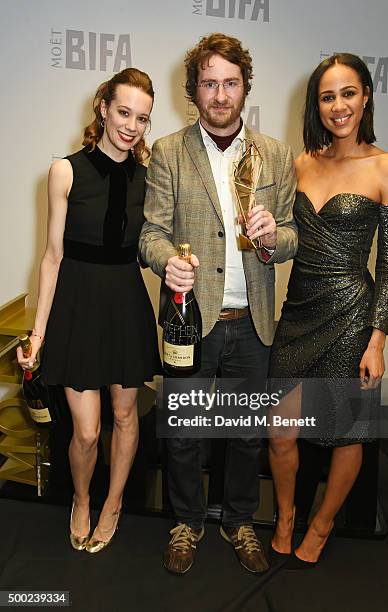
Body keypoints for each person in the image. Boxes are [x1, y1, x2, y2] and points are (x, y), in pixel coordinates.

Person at [139, 33, 297, 575]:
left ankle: (239, 521)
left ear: (245, 88)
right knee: (183, 433)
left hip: (252, 323)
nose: (221, 93)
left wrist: (275, 234)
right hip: (190, 320)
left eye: (230, 82)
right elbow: (150, 234)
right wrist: (168, 263)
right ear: (194, 91)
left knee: (247, 434)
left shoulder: (274, 154)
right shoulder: (168, 151)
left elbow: (294, 235)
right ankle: (187, 522)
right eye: (210, 83)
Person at [268, 53, 388, 569]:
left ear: (366, 95)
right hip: (298, 310)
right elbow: (283, 240)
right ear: (317, 105)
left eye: (348, 93)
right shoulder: (301, 163)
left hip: (352, 315)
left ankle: (322, 524)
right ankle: (285, 517)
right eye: (328, 96)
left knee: (346, 431)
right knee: (280, 428)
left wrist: (377, 341)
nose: (339, 105)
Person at [17, 68, 162, 553]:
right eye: (124, 112)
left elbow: (153, 245)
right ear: (102, 107)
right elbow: (52, 256)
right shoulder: (66, 169)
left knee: (125, 417)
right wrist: (37, 334)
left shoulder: (151, 177)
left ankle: (114, 502)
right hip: (77, 306)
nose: (132, 126)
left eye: (142, 118)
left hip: (125, 304)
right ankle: (81, 498)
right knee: (86, 430)